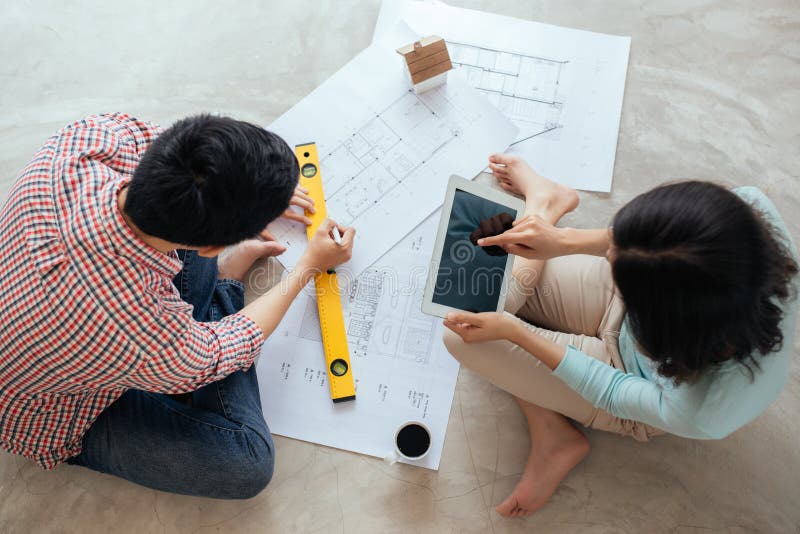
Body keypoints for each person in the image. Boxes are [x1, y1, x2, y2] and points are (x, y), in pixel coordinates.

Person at [0, 113, 355, 499]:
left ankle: (212, 295)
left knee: (184, 225)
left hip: (62, 321)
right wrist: (308, 266)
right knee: (248, 462)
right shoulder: (140, 330)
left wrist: (259, 188)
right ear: (212, 249)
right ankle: (225, 288)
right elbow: (221, 352)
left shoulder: (83, 140)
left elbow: (182, 152)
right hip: (50, 412)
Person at [443, 154, 798, 517]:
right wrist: (562, 241)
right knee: (482, 291)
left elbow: (609, 389)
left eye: (614, 258)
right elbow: (628, 245)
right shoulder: (750, 216)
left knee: (466, 331)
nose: (607, 255)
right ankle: (546, 205)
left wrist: (518, 334)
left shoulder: (700, 410)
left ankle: (544, 203)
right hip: (640, 292)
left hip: (623, 375)